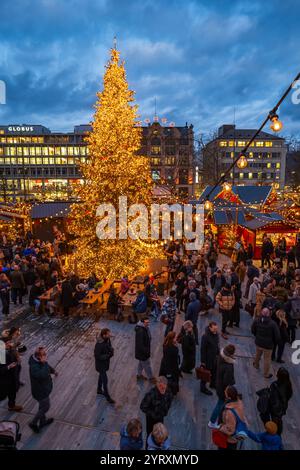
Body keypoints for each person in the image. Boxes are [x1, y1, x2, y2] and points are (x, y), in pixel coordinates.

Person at [28, 346, 57, 433]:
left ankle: (43, 422)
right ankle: (33, 423)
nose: (46, 355)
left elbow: (47, 365)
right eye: (44, 354)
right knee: (45, 407)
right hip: (40, 391)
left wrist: (53, 371)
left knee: (42, 406)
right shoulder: (34, 367)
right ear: (38, 357)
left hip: (43, 389)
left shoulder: (39, 361)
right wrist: (44, 363)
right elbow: (42, 375)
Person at [208, 344, 236, 429]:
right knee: (220, 404)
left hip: (218, 384)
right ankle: (212, 422)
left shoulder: (220, 357)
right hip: (223, 389)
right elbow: (227, 381)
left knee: (221, 404)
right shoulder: (229, 366)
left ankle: (219, 419)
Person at [260, 367, 293, 435]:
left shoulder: (274, 385)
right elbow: (289, 395)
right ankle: (278, 434)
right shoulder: (288, 384)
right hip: (282, 407)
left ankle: (273, 434)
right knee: (279, 420)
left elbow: (272, 398)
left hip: (274, 408)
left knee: (273, 421)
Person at [252, 308, 280, 378]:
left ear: (261, 313)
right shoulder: (273, 324)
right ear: (269, 314)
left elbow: (253, 329)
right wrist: (274, 342)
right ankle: (266, 374)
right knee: (267, 359)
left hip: (258, 342)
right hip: (268, 345)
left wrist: (257, 336)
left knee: (257, 354)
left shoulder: (257, 320)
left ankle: (256, 365)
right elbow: (277, 336)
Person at [216, 385, 247, 450]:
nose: (224, 392)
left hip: (229, 439)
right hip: (236, 435)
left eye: (225, 392)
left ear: (229, 396)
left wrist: (221, 427)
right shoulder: (239, 403)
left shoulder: (229, 412)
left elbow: (230, 430)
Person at [0, 341, 23, 412]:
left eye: (9, 342)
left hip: (13, 377)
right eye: (6, 343)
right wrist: (8, 367)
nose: (9, 344)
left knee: (12, 392)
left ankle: (12, 406)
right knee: (2, 395)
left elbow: (17, 357)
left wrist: (18, 359)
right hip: (4, 380)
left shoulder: (11, 350)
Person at [94, 329, 115, 404]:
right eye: (108, 334)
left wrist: (111, 350)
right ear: (104, 335)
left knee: (101, 377)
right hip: (101, 365)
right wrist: (108, 355)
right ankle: (107, 397)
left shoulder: (107, 339)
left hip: (105, 363)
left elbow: (109, 347)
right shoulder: (99, 345)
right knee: (105, 381)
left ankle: (99, 390)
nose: (110, 335)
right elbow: (97, 356)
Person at [200, 321, 220, 395]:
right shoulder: (205, 337)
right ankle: (203, 388)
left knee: (214, 372)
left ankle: (213, 384)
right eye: (214, 329)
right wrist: (203, 361)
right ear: (210, 327)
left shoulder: (216, 334)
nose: (215, 331)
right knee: (205, 374)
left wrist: (218, 353)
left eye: (216, 329)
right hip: (207, 359)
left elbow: (217, 345)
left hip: (214, 358)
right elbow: (203, 349)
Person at [159, 331, 180, 395]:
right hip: (171, 367)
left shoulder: (165, 344)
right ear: (172, 339)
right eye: (175, 337)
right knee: (172, 380)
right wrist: (176, 346)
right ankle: (171, 391)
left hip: (166, 365)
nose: (176, 338)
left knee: (168, 379)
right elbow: (174, 355)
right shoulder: (172, 349)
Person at [135, 317, 155, 383]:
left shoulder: (144, 328)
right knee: (147, 365)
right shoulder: (141, 331)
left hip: (142, 352)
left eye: (148, 322)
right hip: (143, 352)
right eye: (146, 322)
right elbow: (140, 345)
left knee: (141, 364)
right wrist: (146, 351)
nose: (148, 324)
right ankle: (151, 378)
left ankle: (139, 375)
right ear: (142, 322)